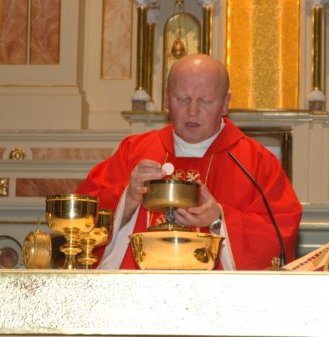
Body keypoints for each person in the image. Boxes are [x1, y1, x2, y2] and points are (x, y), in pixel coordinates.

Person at [76, 53, 303, 270]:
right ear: (167, 99)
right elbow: (79, 217)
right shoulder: (134, 152)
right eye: (183, 99)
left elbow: (279, 234)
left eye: (205, 101)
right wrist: (127, 199)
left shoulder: (255, 163)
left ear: (225, 103)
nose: (192, 111)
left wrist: (218, 220)